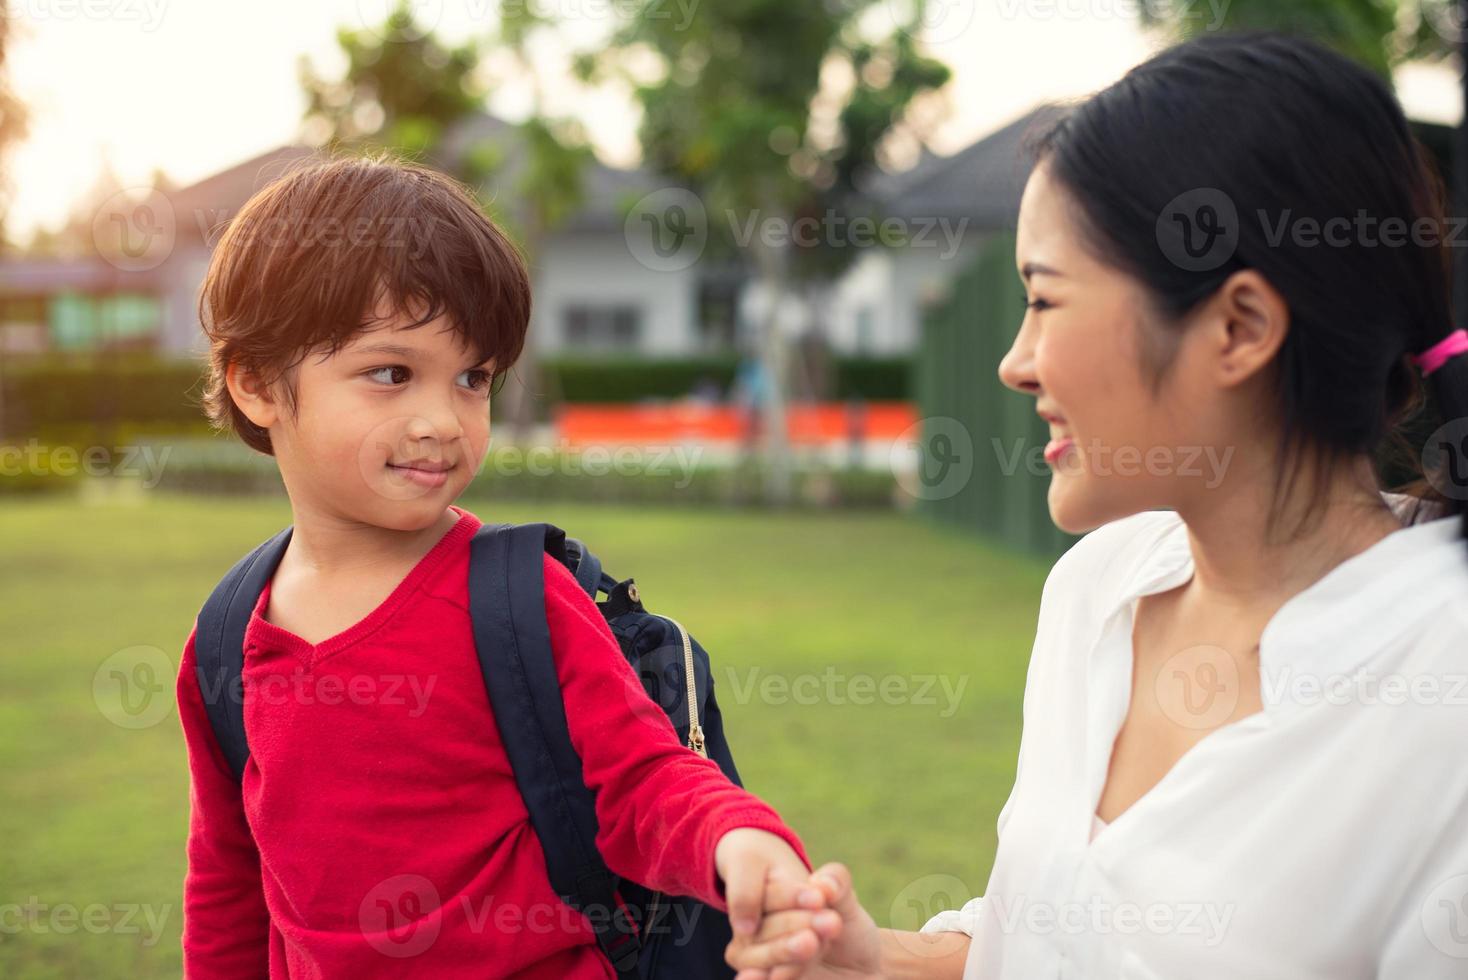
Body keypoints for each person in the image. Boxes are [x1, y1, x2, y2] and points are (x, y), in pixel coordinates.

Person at [727, 31, 1468, 979]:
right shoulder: (1098, 588)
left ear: (1238, 328)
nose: (1015, 362)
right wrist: (876, 960)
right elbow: (1045, 935)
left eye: (1046, 300)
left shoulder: (1435, 688)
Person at [174, 155, 830, 976]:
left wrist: (738, 839)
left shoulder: (521, 599)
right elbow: (229, 883)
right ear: (257, 385)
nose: (442, 421)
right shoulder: (225, 639)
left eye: (472, 378)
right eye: (391, 374)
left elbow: (646, 780)